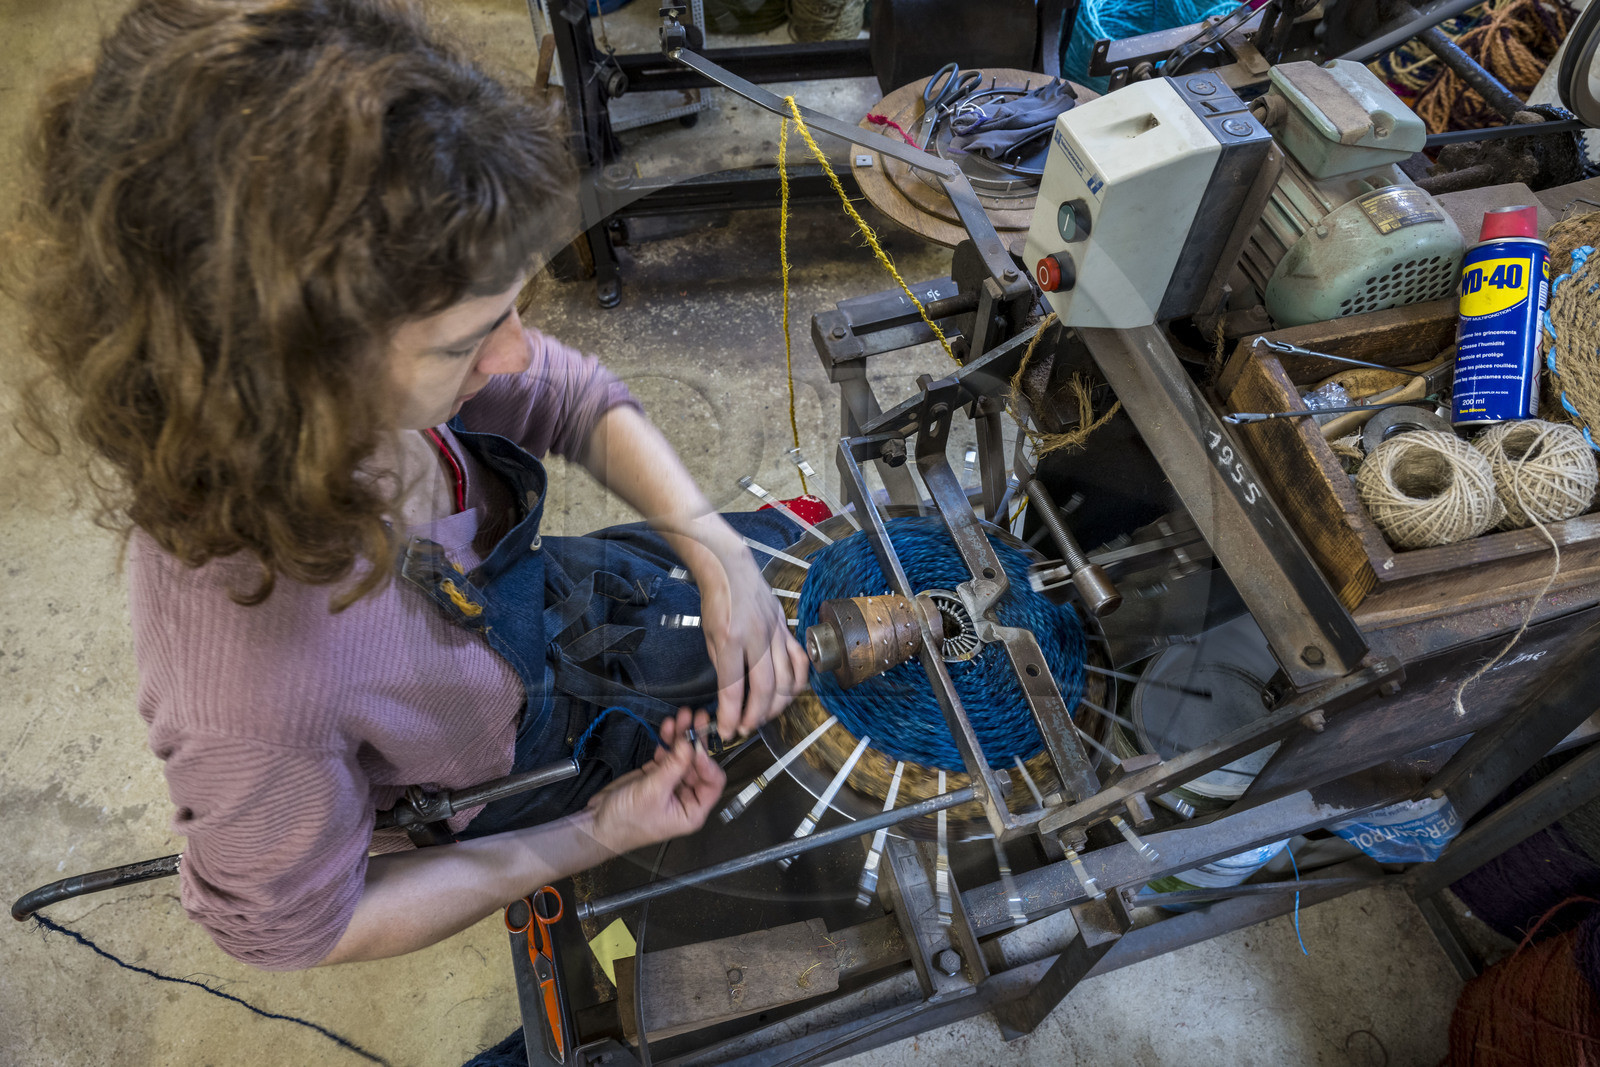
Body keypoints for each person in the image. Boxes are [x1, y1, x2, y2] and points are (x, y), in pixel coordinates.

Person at [12, 0, 810, 971]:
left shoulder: (372, 374)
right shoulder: (251, 690)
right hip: (521, 767)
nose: (520, 353)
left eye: (512, 307)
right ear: (295, 378)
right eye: (469, 341)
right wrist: (594, 833)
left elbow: (569, 393)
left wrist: (714, 550)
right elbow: (305, 924)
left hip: (558, 605)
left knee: (794, 563)